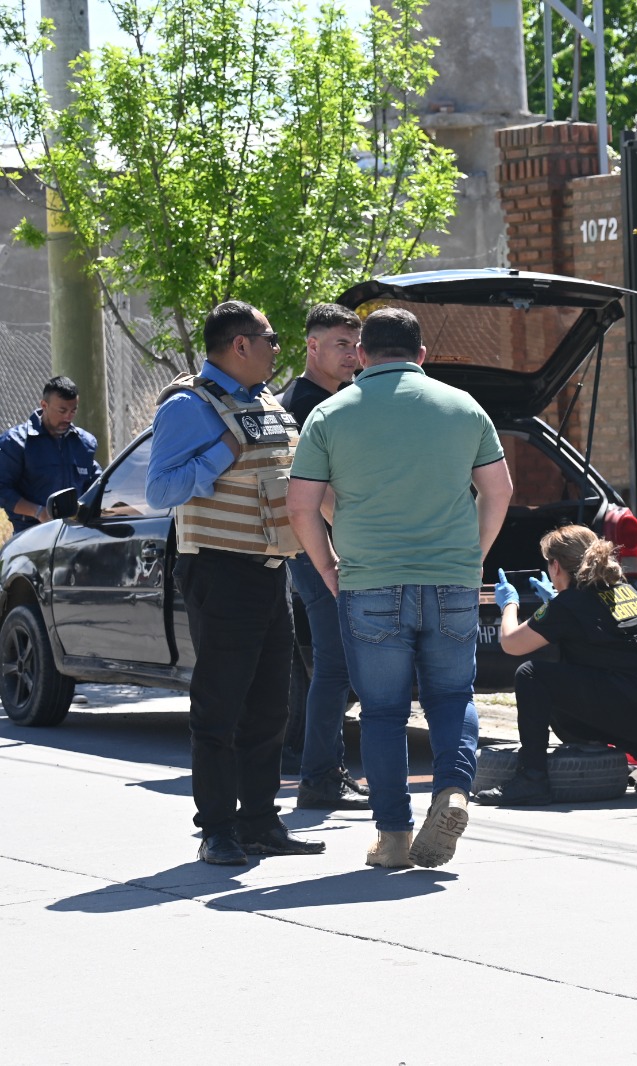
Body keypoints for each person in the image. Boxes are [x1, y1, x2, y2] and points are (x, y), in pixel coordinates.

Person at [286, 307, 513, 870]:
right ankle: (453, 792)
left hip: (370, 582)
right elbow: (500, 490)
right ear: (422, 355)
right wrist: (473, 556)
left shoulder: (329, 414)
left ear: (362, 355)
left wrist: (330, 567)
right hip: (452, 578)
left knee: (383, 712)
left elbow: (301, 505)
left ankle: (392, 838)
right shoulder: (464, 406)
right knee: (452, 697)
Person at [145, 301, 324, 866]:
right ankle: (217, 828)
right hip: (219, 569)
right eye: (270, 338)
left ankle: (260, 821)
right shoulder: (187, 405)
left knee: (271, 705)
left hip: (272, 570)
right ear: (240, 345)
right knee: (220, 704)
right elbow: (160, 492)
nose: (278, 348)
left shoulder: (267, 403)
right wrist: (225, 450)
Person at [475, 525, 637, 807]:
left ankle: (532, 779)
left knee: (532, 675)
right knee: (563, 707)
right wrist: (553, 599)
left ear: (555, 566)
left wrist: (509, 604)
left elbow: (512, 644)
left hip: (636, 705)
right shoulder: (623, 590)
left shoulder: (570, 604)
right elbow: (600, 629)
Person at [279, 304, 367, 810]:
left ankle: (325, 770)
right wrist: (350, 540)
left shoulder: (340, 398)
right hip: (315, 546)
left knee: (337, 662)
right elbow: (310, 492)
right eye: (341, 344)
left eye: (356, 344)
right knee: (334, 661)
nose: (352, 354)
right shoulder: (305, 404)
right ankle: (320, 778)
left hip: (333, 544)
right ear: (312, 346)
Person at [0, 376, 102, 535]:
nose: (68, 417)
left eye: (73, 410)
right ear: (44, 405)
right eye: (62, 411)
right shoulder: (15, 442)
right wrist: (39, 512)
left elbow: (97, 484)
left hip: (76, 535)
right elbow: (2, 489)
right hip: (31, 535)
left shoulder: (84, 443)